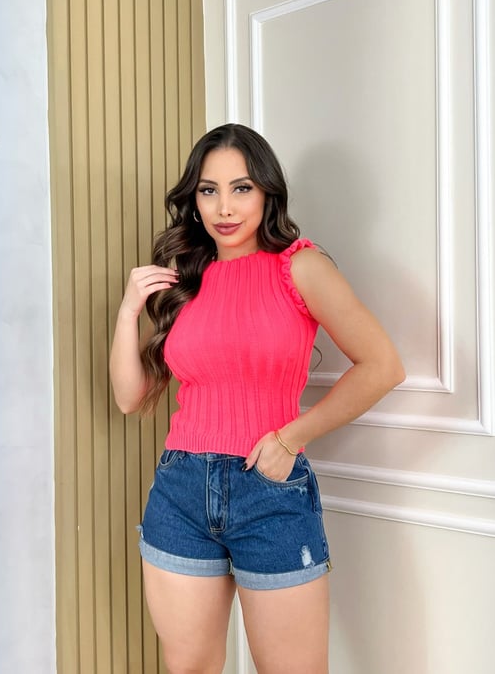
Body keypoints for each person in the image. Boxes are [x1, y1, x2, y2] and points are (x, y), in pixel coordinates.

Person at [109, 123, 405, 674]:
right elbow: (130, 397)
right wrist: (129, 310)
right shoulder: (186, 281)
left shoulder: (301, 267)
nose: (224, 207)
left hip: (269, 491)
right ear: (194, 199)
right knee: (189, 668)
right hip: (179, 491)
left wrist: (291, 438)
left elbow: (382, 366)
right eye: (209, 190)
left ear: (268, 191)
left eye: (241, 188)